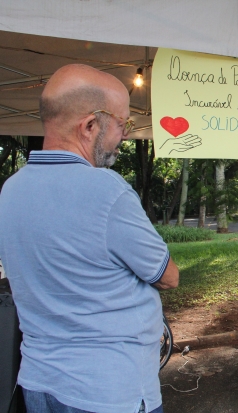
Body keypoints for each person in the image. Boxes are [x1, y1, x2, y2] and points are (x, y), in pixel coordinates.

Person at [0, 64, 179, 413]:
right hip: (108, 389)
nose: (124, 135)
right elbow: (168, 276)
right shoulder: (106, 190)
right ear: (90, 125)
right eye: (122, 124)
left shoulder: (10, 190)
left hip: (39, 382)